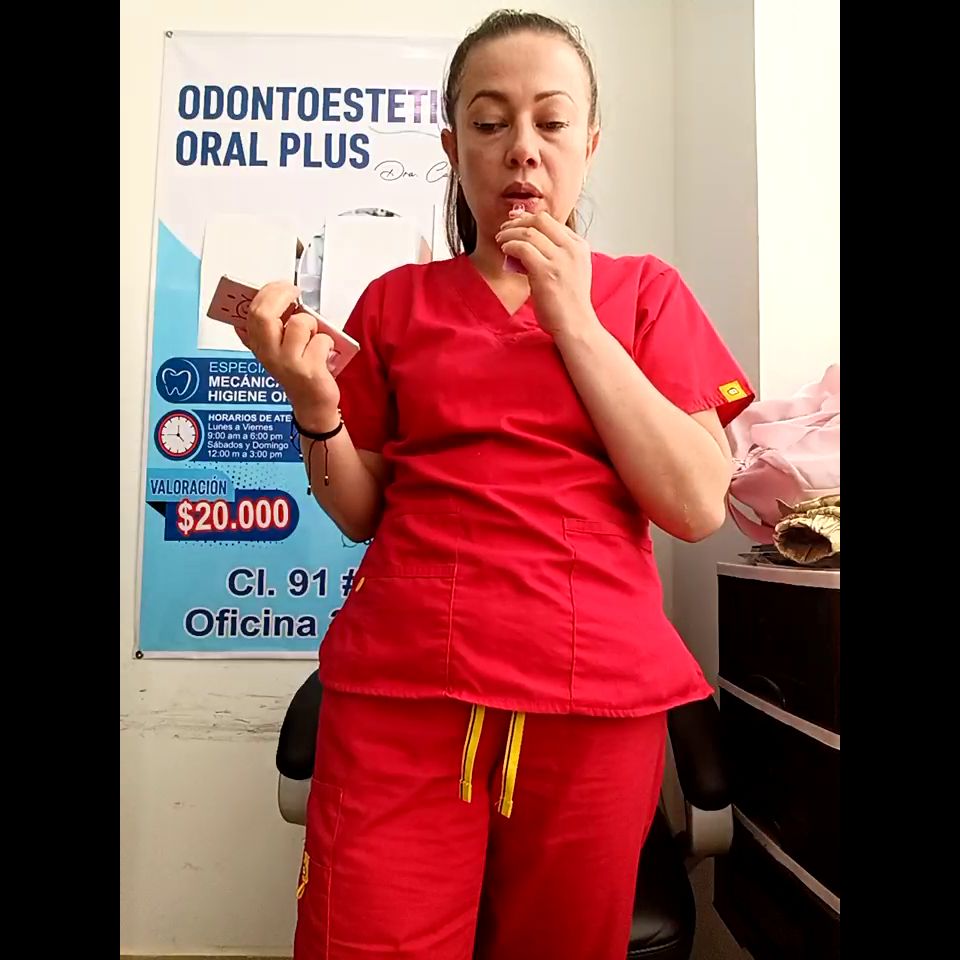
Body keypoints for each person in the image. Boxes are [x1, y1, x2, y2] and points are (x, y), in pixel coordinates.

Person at [238, 10, 754, 960]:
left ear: (589, 144)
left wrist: (574, 320)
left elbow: (693, 505)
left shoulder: (646, 293)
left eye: (550, 122)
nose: (522, 148)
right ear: (453, 146)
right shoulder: (396, 302)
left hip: (593, 702)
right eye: (489, 122)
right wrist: (316, 407)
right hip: (400, 693)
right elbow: (360, 510)